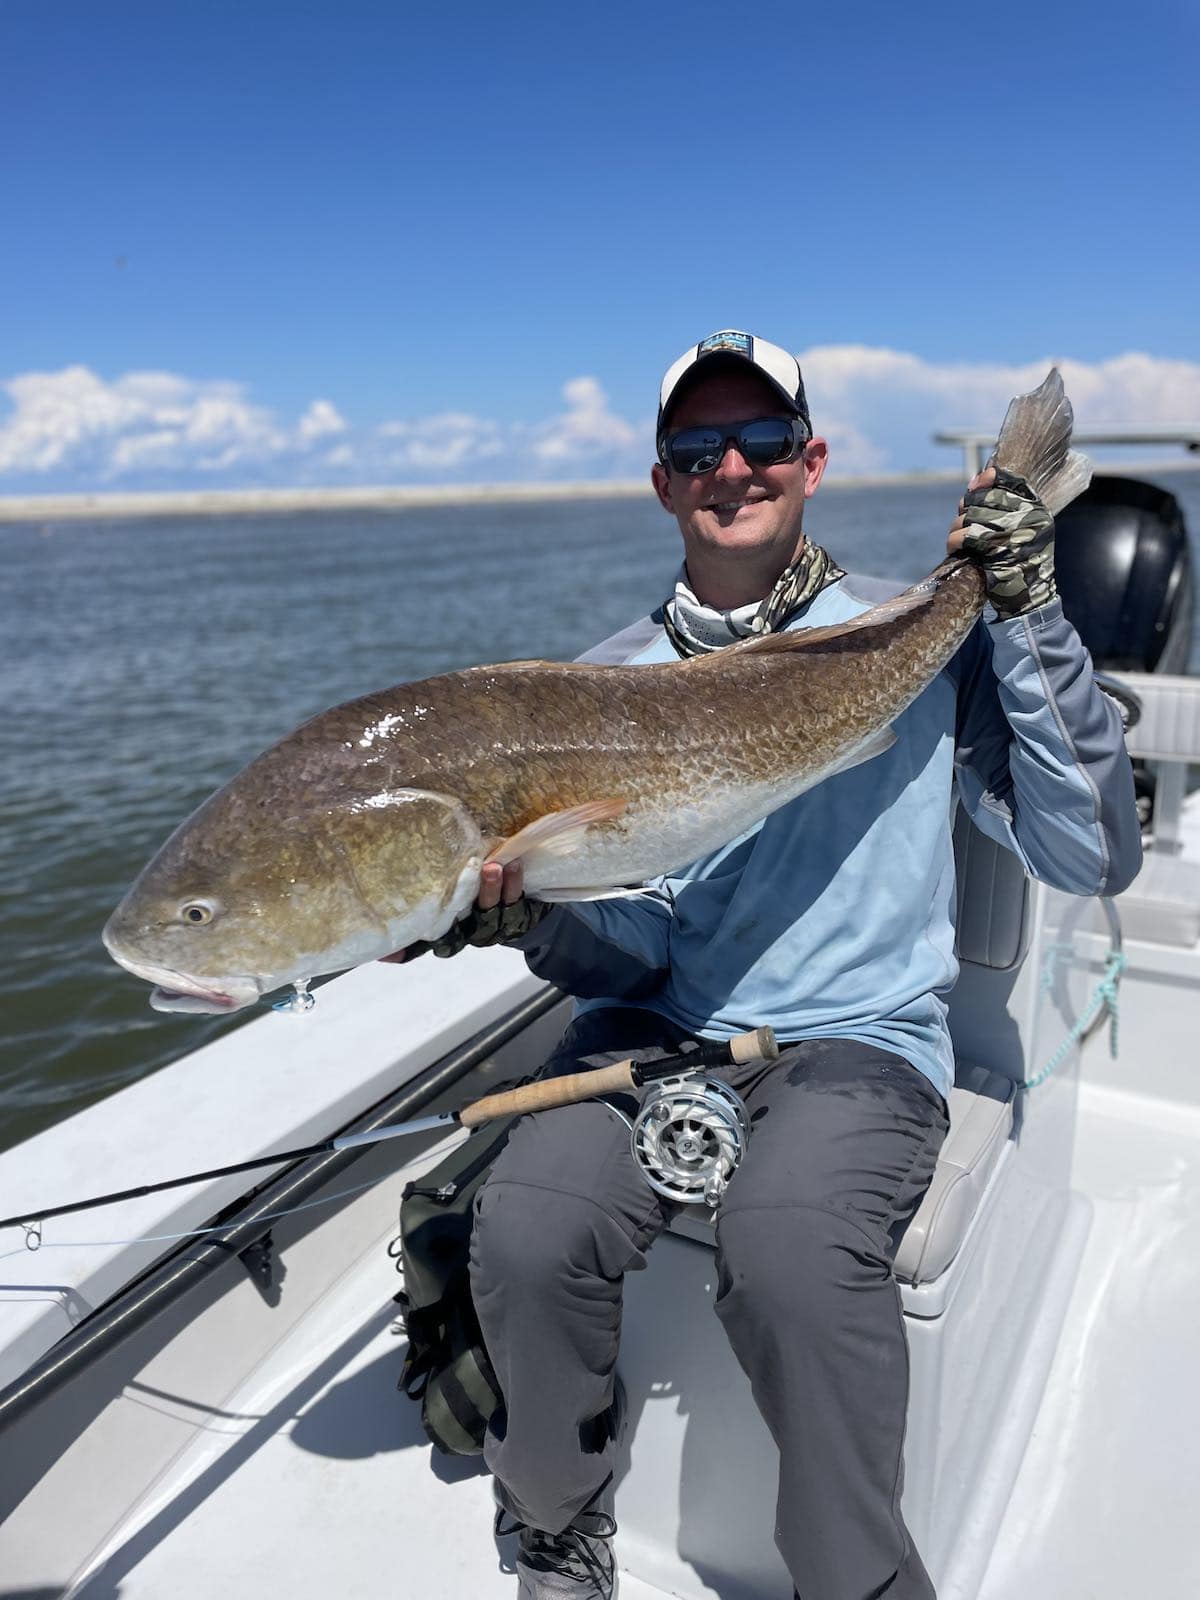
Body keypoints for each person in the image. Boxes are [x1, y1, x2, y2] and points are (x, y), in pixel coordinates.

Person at [387, 329, 1142, 1599]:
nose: (730, 466)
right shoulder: (601, 689)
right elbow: (640, 944)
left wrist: (1027, 608)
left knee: (792, 1250)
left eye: (763, 441)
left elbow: (1092, 852)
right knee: (522, 1227)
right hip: (663, 1029)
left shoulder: (911, 634)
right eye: (696, 448)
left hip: (858, 1042)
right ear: (663, 482)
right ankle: (558, 1528)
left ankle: (859, 1582)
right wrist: (526, 918)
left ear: (812, 462)